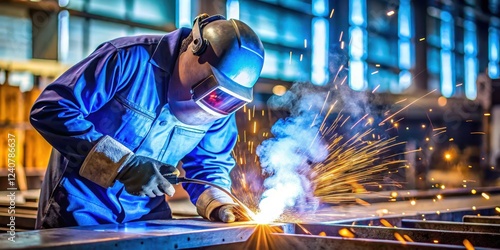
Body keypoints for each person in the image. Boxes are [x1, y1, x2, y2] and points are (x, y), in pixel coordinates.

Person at [30, 14, 265, 229]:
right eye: (209, 89)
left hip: (149, 219)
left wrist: (219, 203)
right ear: (194, 51)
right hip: (80, 212)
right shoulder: (127, 58)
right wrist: (121, 164)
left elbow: (209, 165)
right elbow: (51, 108)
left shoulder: (222, 104)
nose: (209, 112)